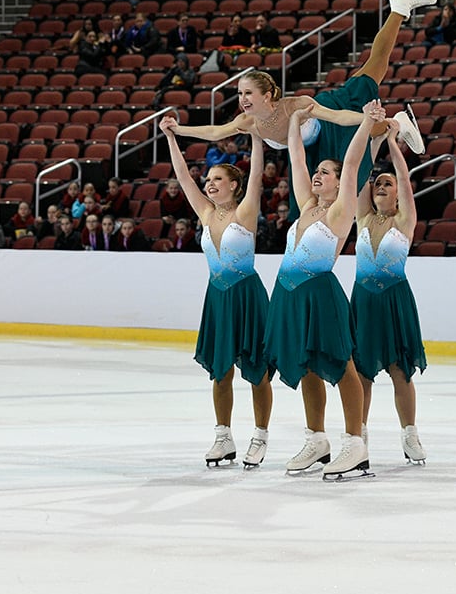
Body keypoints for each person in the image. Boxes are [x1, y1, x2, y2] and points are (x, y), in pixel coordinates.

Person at [165, 0, 436, 218]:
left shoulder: (293, 105)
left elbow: (337, 117)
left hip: (329, 121)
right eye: (239, 94)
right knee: (374, 70)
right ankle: (398, 12)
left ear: (268, 95)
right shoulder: (248, 121)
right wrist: (177, 129)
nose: (243, 99)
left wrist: (366, 118)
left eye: (248, 93)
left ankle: (395, 117)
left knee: (374, 78)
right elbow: (214, 132)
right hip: (310, 155)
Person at [264, 101, 381, 481]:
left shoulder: (340, 210)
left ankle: (354, 442)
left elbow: (351, 166)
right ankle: (316, 439)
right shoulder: (305, 208)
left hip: (319, 293)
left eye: (325, 173)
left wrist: (365, 125)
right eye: (319, 171)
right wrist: (295, 122)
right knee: (306, 364)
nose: (318, 175)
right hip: (289, 296)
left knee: (341, 364)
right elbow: (296, 161)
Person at [160, 115, 274, 468]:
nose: (208, 185)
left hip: (247, 295)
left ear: (234, 187)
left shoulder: (246, 211)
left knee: (256, 371)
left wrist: (255, 138)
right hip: (218, 298)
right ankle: (223, 436)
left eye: (217, 180)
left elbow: (256, 175)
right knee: (221, 371)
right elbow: (181, 177)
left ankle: (260, 436)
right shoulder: (206, 213)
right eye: (208, 179)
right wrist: (170, 138)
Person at [352, 118, 428, 465]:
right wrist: (375, 138)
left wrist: (394, 142)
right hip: (364, 302)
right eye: (377, 183)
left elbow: (403, 175)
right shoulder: (363, 219)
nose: (380, 186)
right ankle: (359, 433)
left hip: (395, 300)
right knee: (363, 372)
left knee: (400, 370)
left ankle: (410, 434)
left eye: (387, 183)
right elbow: (359, 174)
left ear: (398, 191)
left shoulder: (404, 221)